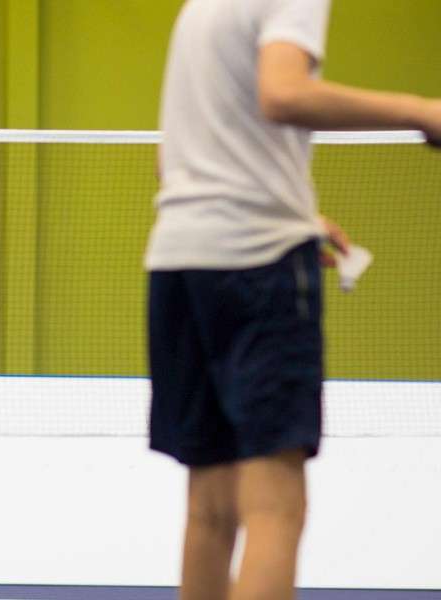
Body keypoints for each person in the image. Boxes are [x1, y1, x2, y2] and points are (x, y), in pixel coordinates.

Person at [147, 2, 441, 600]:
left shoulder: (202, 8)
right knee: (275, 510)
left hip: (179, 260)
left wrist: (296, 216)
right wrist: (423, 111)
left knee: (210, 511)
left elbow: (174, 157)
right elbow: (281, 93)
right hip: (256, 267)